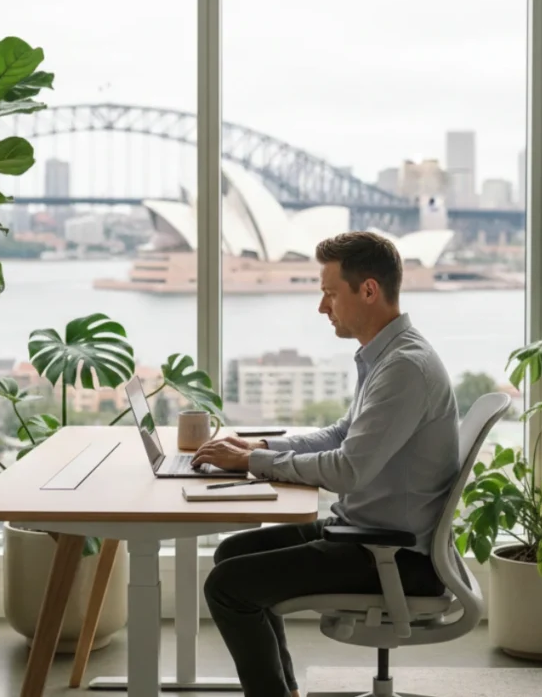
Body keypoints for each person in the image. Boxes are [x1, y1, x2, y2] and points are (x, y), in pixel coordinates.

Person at [191, 231, 459, 697]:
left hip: (391, 554)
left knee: (228, 586)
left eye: (330, 293)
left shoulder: (403, 368)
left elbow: (346, 470)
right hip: (366, 535)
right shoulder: (387, 356)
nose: (322, 307)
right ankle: (286, 691)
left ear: (368, 290)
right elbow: (340, 435)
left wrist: (254, 461)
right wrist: (258, 445)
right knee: (232, 555)